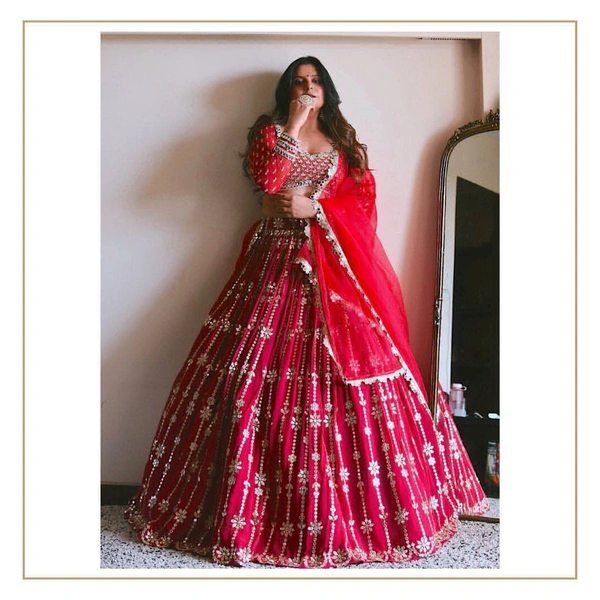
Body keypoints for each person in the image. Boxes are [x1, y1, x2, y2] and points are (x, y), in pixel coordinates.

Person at [124, 56, 489, 569]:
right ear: (287, 90)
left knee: (351, 377)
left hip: (331, 268)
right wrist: (292, 127)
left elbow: (362, 208)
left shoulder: (343, 145)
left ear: (327, 90)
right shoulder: (270, 134)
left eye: (315, 82)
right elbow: (268, 180)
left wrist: (316, 209)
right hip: (271, 265)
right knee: (245, 381)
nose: (307, 88)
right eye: (299, 82)